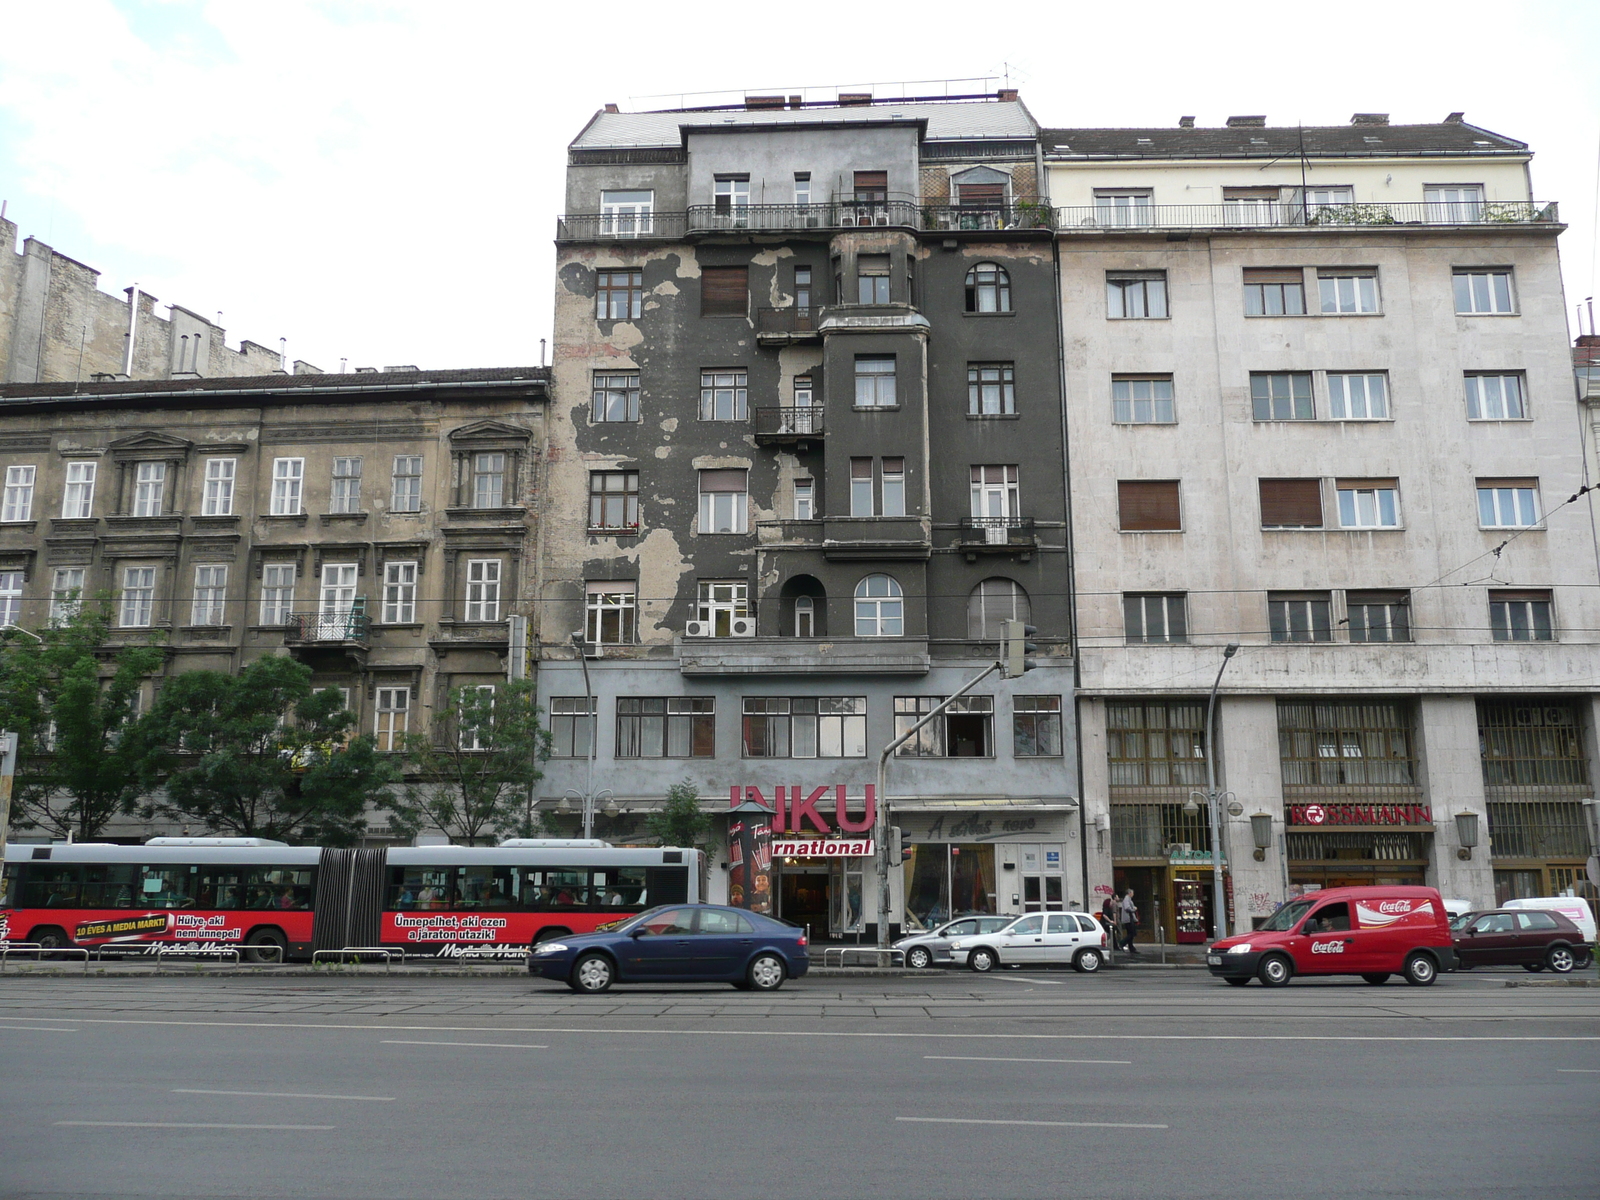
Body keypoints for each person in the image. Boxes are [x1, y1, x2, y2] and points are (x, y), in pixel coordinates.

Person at [1120, 887, 1140, 956]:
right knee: (1132, 933)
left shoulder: (1128, 899)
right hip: (1128, 919)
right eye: (1132, 893)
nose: (1133, 894)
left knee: (1130, 934)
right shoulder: (1126, 899)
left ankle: (1131, 948)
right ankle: (1122, 943)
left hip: (1130, 919)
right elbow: (1127, 908)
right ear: (1129, 893)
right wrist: (1133, 909)